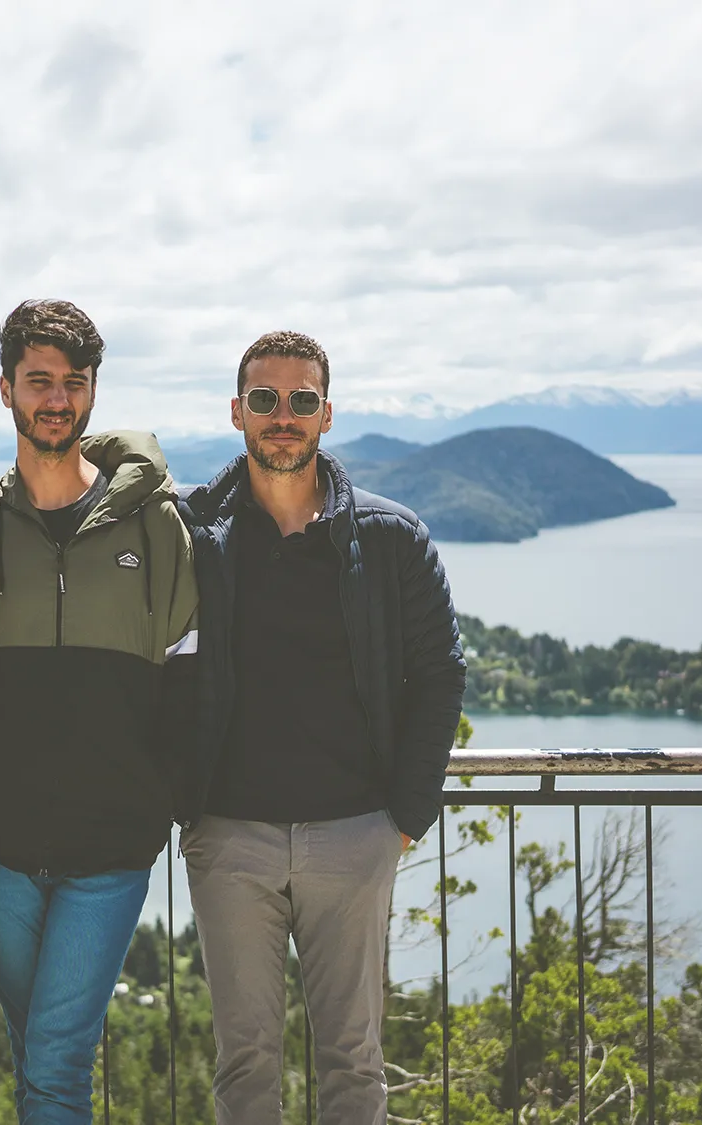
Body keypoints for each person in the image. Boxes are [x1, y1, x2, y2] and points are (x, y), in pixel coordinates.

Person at [176, 330, 466, 1124]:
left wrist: (404, 818)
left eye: (301, 400)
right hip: (229, 834)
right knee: (244, 1062)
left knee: (352, 1060)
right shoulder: (192, 530)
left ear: (326, 414)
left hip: (355, 832)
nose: (283, 416)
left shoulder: (389, 537)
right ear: (236, 411)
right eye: (264, 399)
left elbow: (440, 673)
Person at [0, 299, 199, 1125]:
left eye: (72, 382)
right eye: (38, 380)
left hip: (111, 850)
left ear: (92, 393)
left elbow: (189, 673)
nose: (56, 398)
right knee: (35, 1054)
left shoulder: (155, 524)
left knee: (53, 1063)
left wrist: (162, 797)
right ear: (6, 388)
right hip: (0, 845)